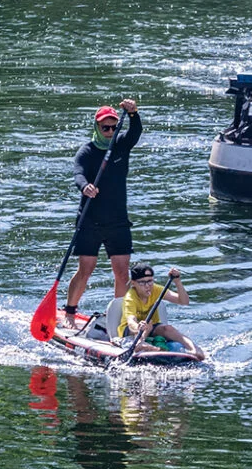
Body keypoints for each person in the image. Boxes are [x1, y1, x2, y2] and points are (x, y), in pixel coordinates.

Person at [64, 99, 141, 325]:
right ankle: (69, 312)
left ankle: (119, 318)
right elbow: (78, 173)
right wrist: (84, 186)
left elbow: (135, 133)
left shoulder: (121, 145)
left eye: (113, 128)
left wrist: (134, 114)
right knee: (86, 268)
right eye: (104, 127)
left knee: (122, 272)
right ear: (97, 128)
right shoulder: (86, 151)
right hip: (90, 220)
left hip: (118, 221)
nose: (109, 132)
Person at [116, 263, 197, 354]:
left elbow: (184, 301)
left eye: (150, 281)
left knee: (168, 328)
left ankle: (194, 349)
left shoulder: (156, 289)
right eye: (142, 282)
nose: (147, 286)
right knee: (148, 324)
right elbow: (131, 321)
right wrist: (138, 327)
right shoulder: (130, 298)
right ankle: (140, 344)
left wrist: (177, 282)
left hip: (151, 327)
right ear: (133, 283)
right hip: (131, 330)